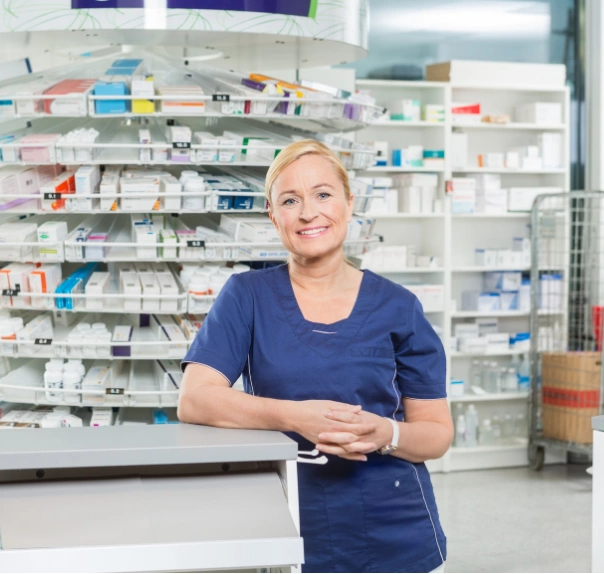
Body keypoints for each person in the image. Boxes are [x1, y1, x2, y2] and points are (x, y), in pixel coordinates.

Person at [178, 139, 453, 573]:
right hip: (286, 516)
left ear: (348, 202)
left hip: (395, 529)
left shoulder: (398, 306)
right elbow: (195, 399)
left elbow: (437, 434)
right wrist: (296, 417)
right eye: (291, 200)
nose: (309, 213)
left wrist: (386, 433)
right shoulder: (246, 297)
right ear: (273, 216)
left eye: (323, 194)